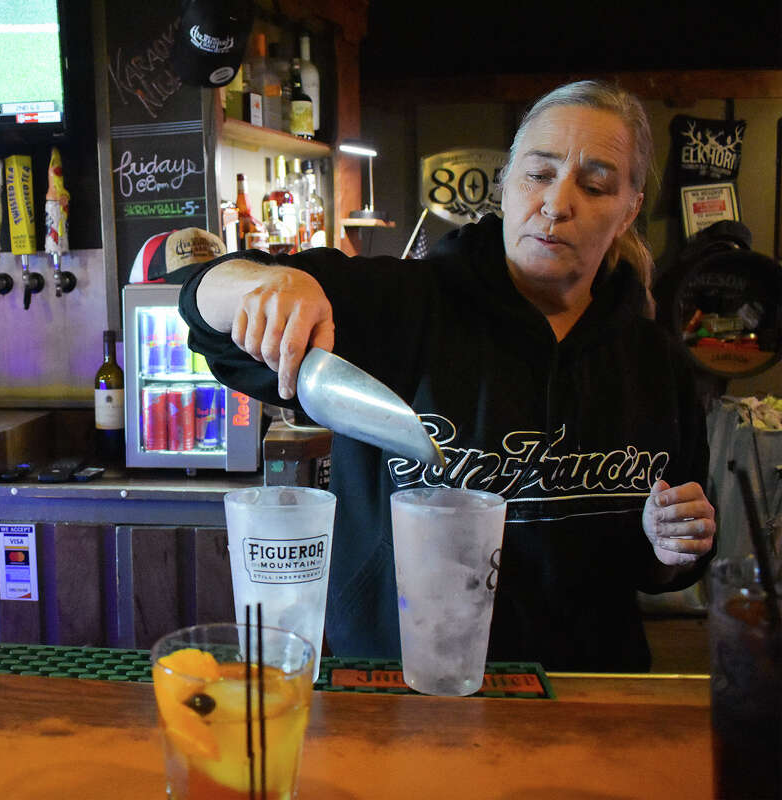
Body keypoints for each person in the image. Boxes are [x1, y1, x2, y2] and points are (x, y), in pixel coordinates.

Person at [179, 80, 717, 672]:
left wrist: (672, 547)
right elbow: (206, 313)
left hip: (585, 695)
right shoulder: (406, 306)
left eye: (595, 186)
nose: (558, 203)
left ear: (629, 209)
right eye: (539, 174)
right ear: (507, 183)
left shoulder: (655, 362)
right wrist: (264, 284)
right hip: (401, 685)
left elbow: (667, 563)